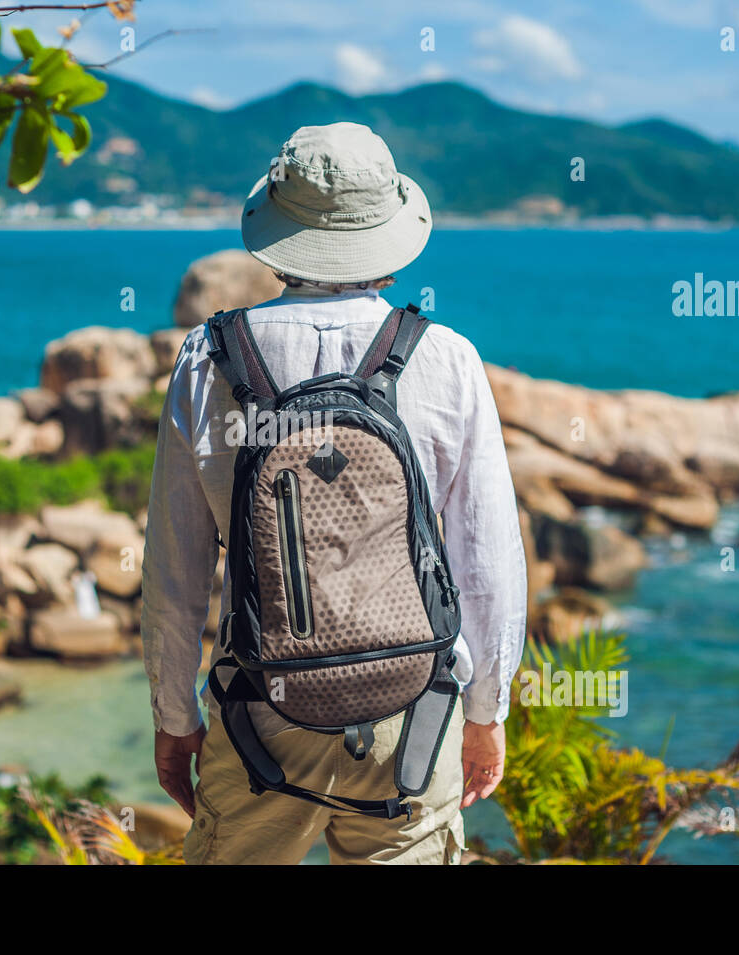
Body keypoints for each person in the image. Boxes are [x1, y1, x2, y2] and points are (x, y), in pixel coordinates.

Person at [141, 122, 526, 865]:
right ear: (389, 233)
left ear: (278, 230)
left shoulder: (206, 356)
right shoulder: (444, 357)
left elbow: (175, 566)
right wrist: (487, 710)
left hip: (260, 711)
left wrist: (173, 714)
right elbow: (486, 559)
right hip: (414, 706)